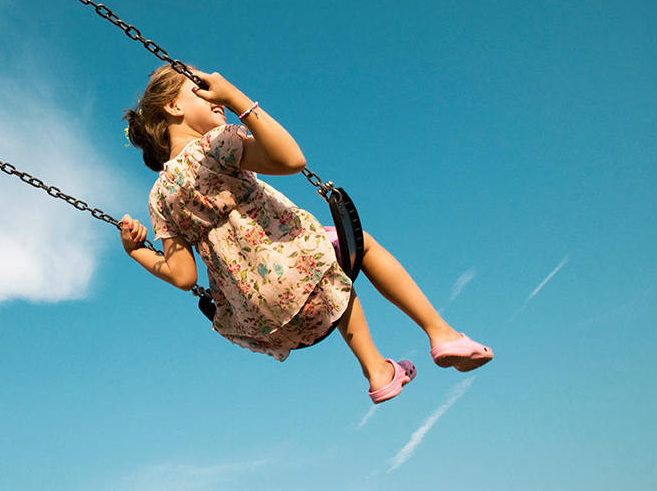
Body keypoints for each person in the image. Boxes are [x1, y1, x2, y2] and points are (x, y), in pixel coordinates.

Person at [120, 65, 493, 403]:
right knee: (355, 248)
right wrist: (236, 97)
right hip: (293, 266)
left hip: (257, 317)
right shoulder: (216, 145)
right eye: (200, 86)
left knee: (328, 273)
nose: (213, 94)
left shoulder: (157, 198)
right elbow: (292, 160)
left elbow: (184, 277)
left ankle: (378, 371)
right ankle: (440, 333)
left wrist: (137, 252)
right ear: (173, 107)